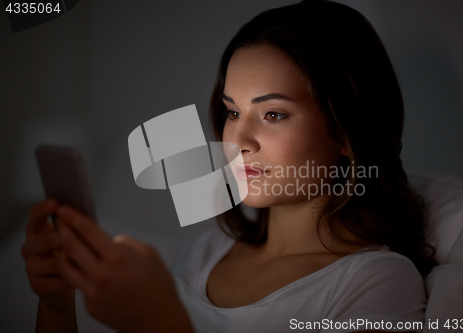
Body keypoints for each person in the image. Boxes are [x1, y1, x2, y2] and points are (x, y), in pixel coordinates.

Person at [21, 0, 438, 332]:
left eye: (273, 114)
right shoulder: (207, 252)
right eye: (232, 112)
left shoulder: (377, 283)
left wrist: (158, 322)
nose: (236, 142)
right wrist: (58, 305)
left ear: (346, 132)